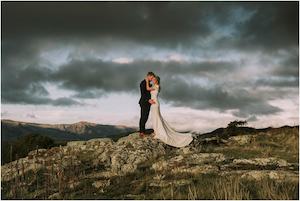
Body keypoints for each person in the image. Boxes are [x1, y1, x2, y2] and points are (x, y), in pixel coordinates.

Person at [145, 75, 194, 147]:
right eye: (153, 79)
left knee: (156, 117)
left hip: (155, 103)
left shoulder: (156, 86)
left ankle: (158, 133)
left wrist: (146, 81)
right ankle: (156, 131)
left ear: (157, 80)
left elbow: (147, 88)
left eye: (154, 79)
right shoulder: (154, 85)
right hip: (153, 103)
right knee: (155, 117)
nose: (153, 80)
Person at [138, 72, 155, 138]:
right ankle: (141, 132)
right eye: (152, 77)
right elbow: (143, 93)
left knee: (146, 117)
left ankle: (143, 130)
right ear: (148, 76)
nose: (152, 79)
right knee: (143, 116)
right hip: (144, 102)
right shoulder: (143, 83)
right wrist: (148, 100)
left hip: (148, 103)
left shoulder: (149, 84)